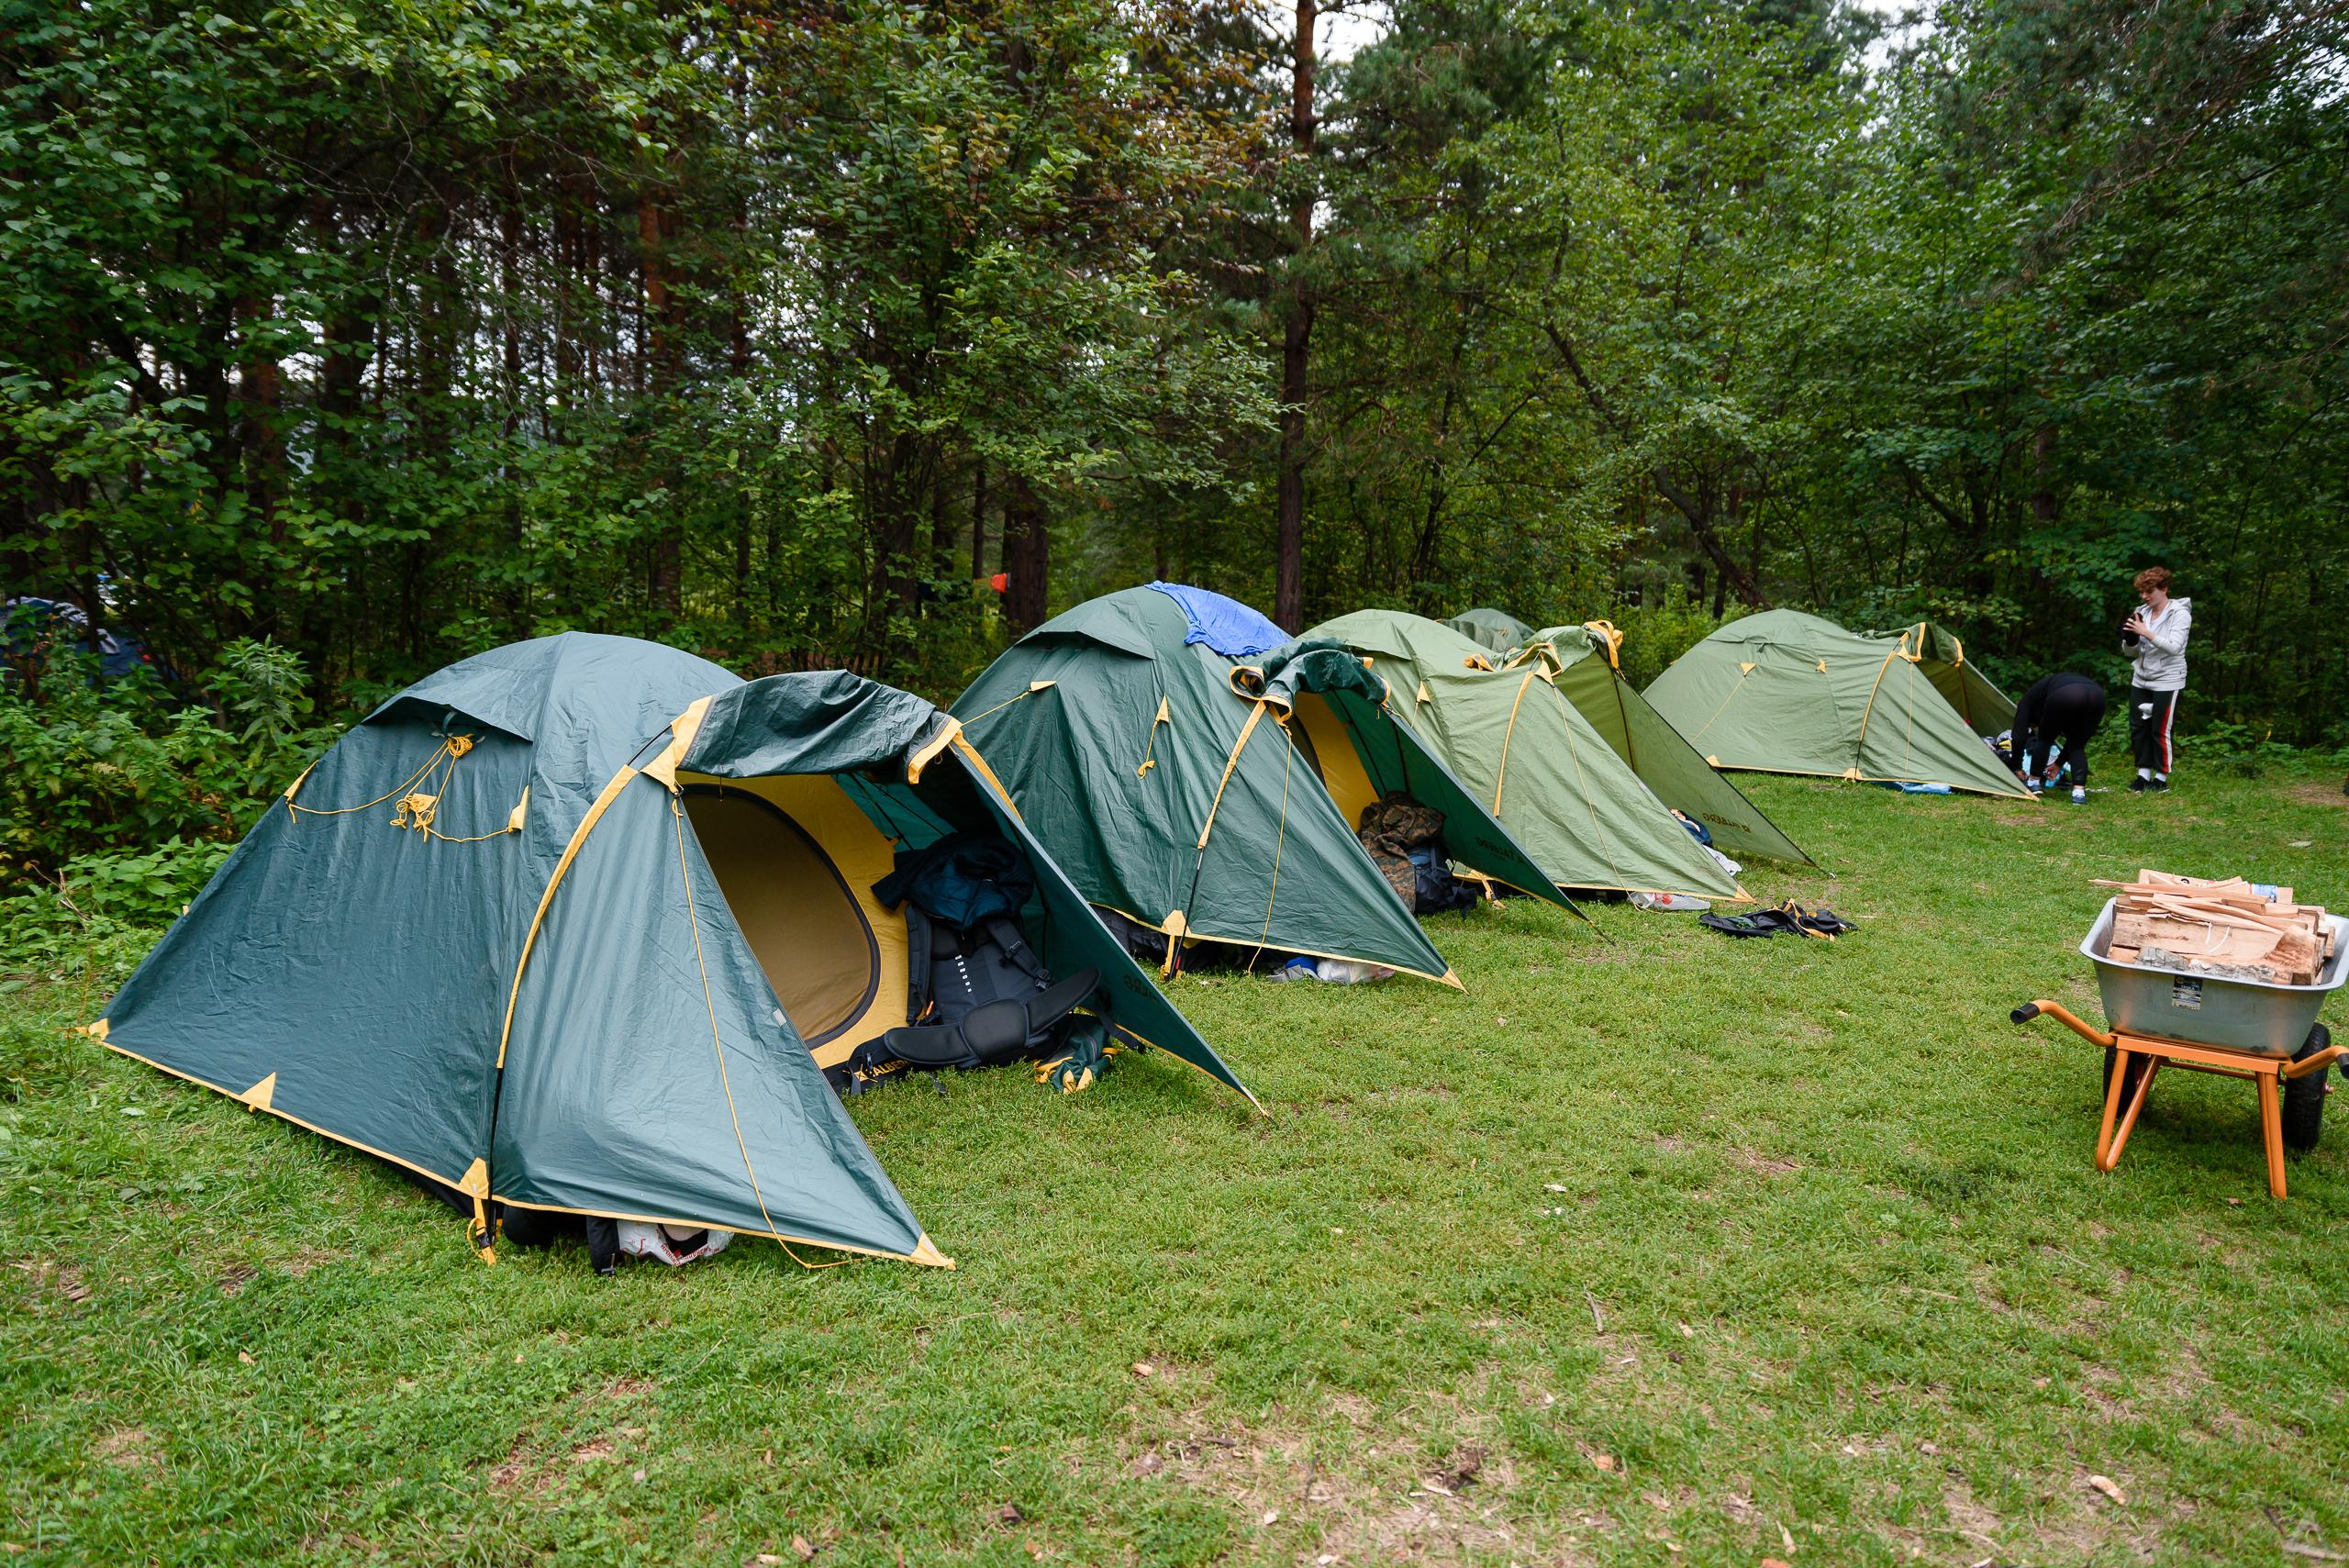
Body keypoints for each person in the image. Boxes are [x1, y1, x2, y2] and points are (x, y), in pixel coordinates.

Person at [2120, 566, 2190, 792]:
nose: (2144, 596)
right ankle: (2142, 776)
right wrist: (2130, 640)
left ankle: (2161, 780)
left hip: (2168, 679)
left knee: (2160, 729)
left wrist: (2145, 632)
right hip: (2141, 678)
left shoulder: (2180, 613)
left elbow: (2174, 647)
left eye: (2149, 591)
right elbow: (2132, 651)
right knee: (2138, 727)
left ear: (2164, 589)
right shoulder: (2142, 613)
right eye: (2141, 591)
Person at [2008, 672, 2107, 804]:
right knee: (2077, 745)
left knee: (2044, 739)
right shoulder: (2044, 690)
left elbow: (2018, 736)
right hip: (2097, 696)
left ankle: (2033, 782)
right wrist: (2058, 763)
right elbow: (2072, 744)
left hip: (2066, 693)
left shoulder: (2027, 701)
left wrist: (2016, 768)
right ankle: (2078, 793)